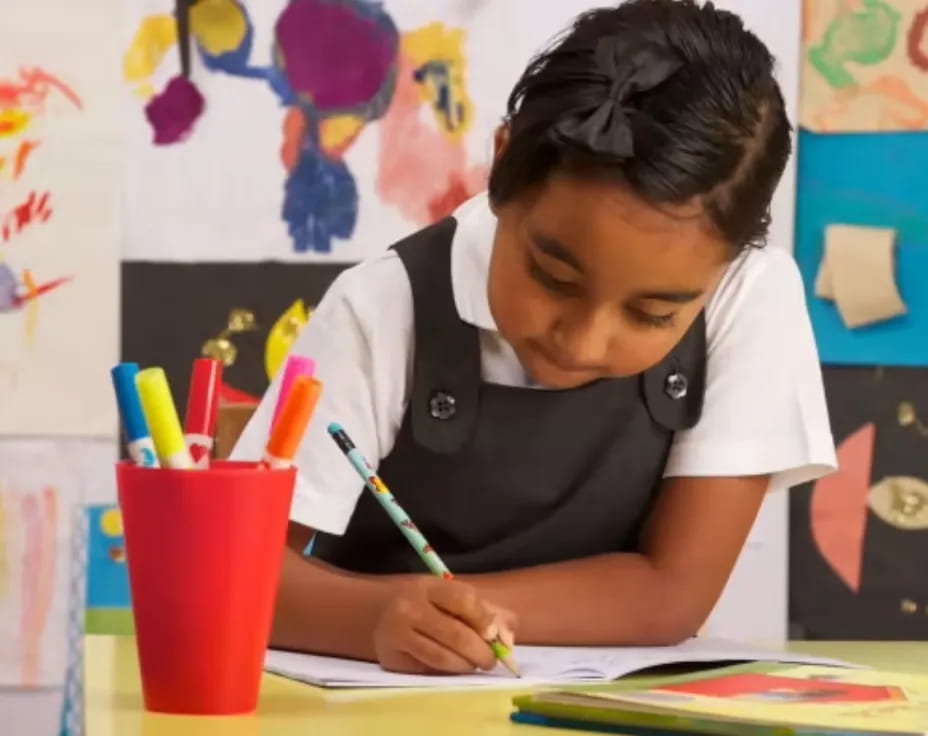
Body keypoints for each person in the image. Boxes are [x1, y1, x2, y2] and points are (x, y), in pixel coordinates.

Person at [232, 0, 836, 675]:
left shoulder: (749, 296)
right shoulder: (384, 306)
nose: (582, 342)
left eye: (652, 315)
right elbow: (233, 576)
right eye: (553, 277)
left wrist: (450, 611)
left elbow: (671, 595)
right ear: (501, 164)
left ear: (727, 264)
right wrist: (371, 620)